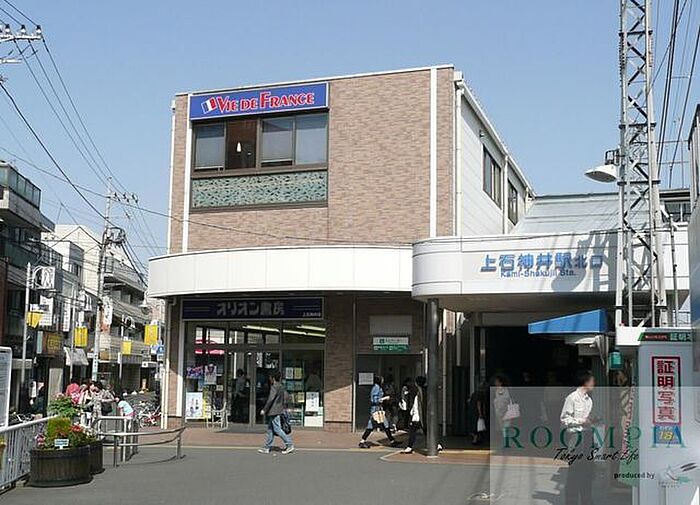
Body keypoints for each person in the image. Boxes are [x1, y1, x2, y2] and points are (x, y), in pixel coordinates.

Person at [560, 370, 596, 505]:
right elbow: (564, 419)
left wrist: (592, 420)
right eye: (592, 381)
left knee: (588, 471)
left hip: (587, 436)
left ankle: (587, 500)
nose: (594, 384)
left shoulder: (589, 400)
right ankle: (571, 501)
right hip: (575, 437)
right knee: (575, 471)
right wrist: (581, 421)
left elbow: (587, 418)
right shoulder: (572, 398)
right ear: (585, 382)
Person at [258, 371, 294, 454]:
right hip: (278, 409)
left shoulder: (274, 387)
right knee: (270, 429)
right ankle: (267, 447)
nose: (269, 379)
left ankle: (289, 444)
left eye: (270, 377)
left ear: (273, 378)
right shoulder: (281, 386)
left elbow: (271, 399)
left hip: (274, 410)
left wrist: (264, 409)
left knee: (277, 429)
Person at [359, 375, 400, 449]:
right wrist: (384, 398)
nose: (383, 381)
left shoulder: (377, 387)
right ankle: (362, 441)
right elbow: (374, 400)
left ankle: (392, 441)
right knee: (371, 426)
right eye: (381, 379)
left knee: (385, 425)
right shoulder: (376, 388)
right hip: (376, 410)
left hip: (378, 409)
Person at [402, 378, 424, 454]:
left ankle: (409, 447)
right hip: (421, 416)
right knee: (426, 431)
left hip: (417, 416)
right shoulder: (422, 391)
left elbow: (417, 406)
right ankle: (437, 445)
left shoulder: (419, 392)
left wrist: (413, 413)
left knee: (412, 431)